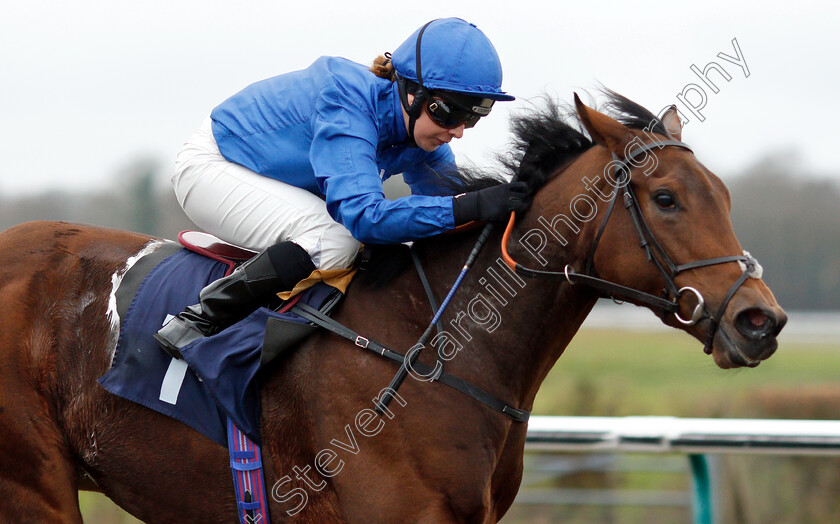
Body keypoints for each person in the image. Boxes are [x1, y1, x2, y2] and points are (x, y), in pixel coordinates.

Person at [155, 17, 531, 357]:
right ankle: (199, 320)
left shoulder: (425, 142)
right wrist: (470, 206)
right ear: (410, 92)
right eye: (448, 113)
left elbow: (452, 210)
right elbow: (365, 217)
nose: (458, 131)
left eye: (472, 117)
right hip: (213, 165)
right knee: (337, 239)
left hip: (274, 179)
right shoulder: (347, 102)